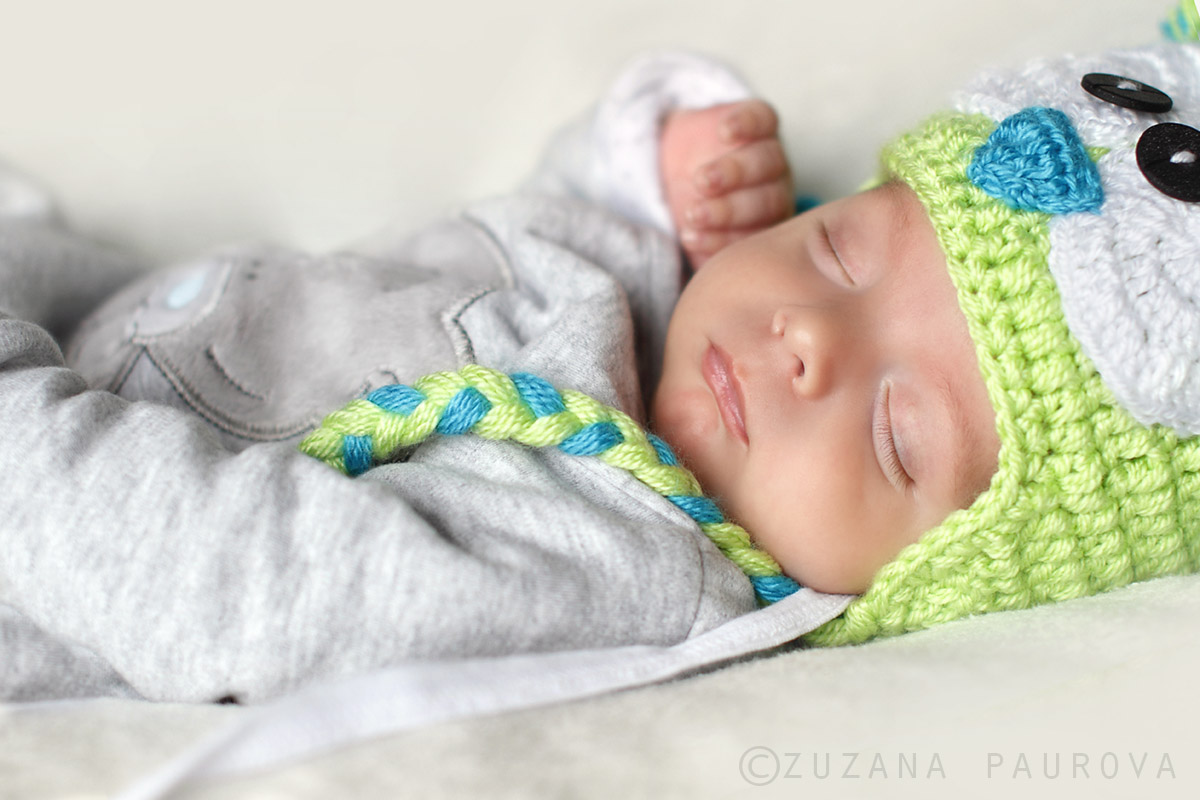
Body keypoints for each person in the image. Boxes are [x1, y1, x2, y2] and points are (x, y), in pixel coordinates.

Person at [4, 31, 1200, 703]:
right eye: (837, 249)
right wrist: (656, 167)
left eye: (896, 436)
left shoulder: (610, 559)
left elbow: (251, 588)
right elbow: (532, 226)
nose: (807, 340)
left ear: (924, 584)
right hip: (87, 296)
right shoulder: (651, 287)